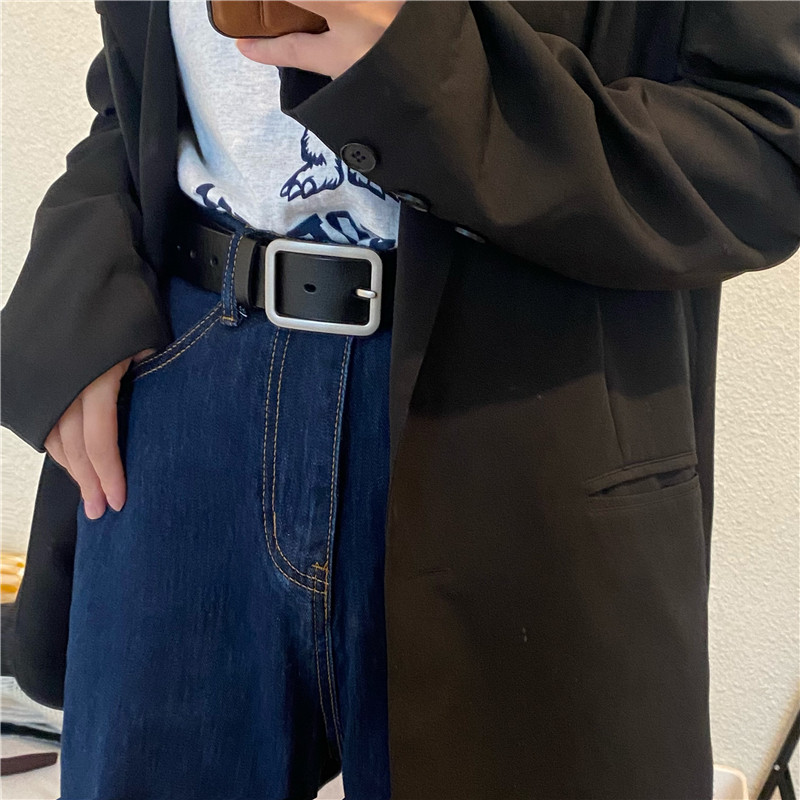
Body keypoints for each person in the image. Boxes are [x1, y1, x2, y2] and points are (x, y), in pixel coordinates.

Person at [2, 2, 799, 798]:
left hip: (524, 423)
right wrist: (76, 277)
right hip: (187, 390)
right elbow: (139, 84)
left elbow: (767, 141)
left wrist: (432, 71)